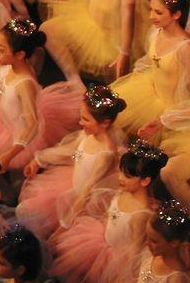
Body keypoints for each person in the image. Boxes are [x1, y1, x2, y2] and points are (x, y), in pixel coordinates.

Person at [0, 18, 81, 176]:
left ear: (20, 54)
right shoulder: (13, 68)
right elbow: (3, 86)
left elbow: (32, 125)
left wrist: (11, 153)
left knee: (14, 168)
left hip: (20, 137)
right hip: (5, 122)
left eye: (1, 50)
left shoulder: (25, 84)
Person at [50, 139, 168, 283]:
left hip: (117, 259)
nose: (120, 178)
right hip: (101, 242)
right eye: (120, 172)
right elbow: (109, 215)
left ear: (145, 181)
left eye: (127, 176)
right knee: (72, 268)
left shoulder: (141, 214)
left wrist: (123, 275)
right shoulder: (123, 192)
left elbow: (134, 249)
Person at [111, 0, 190, 206]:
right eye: (152, 10)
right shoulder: (155, 32)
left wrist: (165, 120)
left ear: (176, 15)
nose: (151, 16)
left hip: (177, 114)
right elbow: (149, 62)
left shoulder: (185, 48)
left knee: (166, 171)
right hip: (151, 96)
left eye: (158, 12)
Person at [17, 84, 125, 239]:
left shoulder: (106, 154)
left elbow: (86, 194)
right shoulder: (88, 135)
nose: (80, 122)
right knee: (26, 211)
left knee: (53, 236)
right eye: (81, 116)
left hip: (83, 204)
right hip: (70, 187)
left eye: (86, 119)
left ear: (105, 123)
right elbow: (67, 152)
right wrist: (38, 160)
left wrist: (64, 227)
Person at [70, 199, 190, 283]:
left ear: (174, 243)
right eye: (147, 237)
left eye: (154, 241)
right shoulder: (153, 255)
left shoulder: (177, 278)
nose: (147, 243)